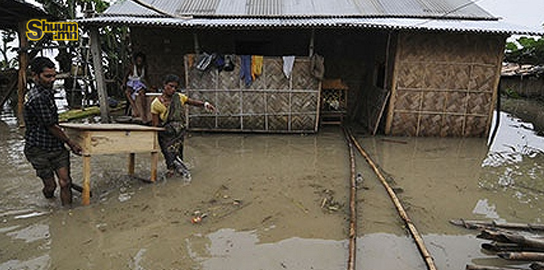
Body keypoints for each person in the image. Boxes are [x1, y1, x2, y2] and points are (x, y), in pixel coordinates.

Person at [23, 56, 83, 206]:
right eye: (47, 76)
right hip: (38, 149)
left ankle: (68, 214)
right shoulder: (37, 98)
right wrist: (70, 142)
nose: (52, 80)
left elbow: (52, 123)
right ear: (35, 76)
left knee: (65, 182)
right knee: (51, 186)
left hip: (55, 146)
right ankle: (49, 204)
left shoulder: (46, 93)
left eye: (54, 76)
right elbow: (51, 125)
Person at [150, 74, 216, 178]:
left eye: (175, 87)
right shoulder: (156, 104)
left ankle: (177, 171)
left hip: (179, 132)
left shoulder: (179, 97)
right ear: (164, 85)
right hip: (166, 134)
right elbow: (155, 124)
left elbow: (192, 102)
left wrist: (205, 104)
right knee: (168, 154)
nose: (173, 89)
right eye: (171, 86)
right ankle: (170, 170)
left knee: (178, 152)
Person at [123, 52, 151, 124]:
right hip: (131, 83)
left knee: (142, 94)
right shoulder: (132, 67)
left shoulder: (144, 68)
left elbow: (146, 78)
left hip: (139, 84)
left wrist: (150, 86)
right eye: (138, 61)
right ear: (135, 61)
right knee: (128, 93)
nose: (139, 63)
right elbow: (126, 76)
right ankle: (134, 109)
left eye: (141, 61)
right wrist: (124, 84)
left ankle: (144, 115)